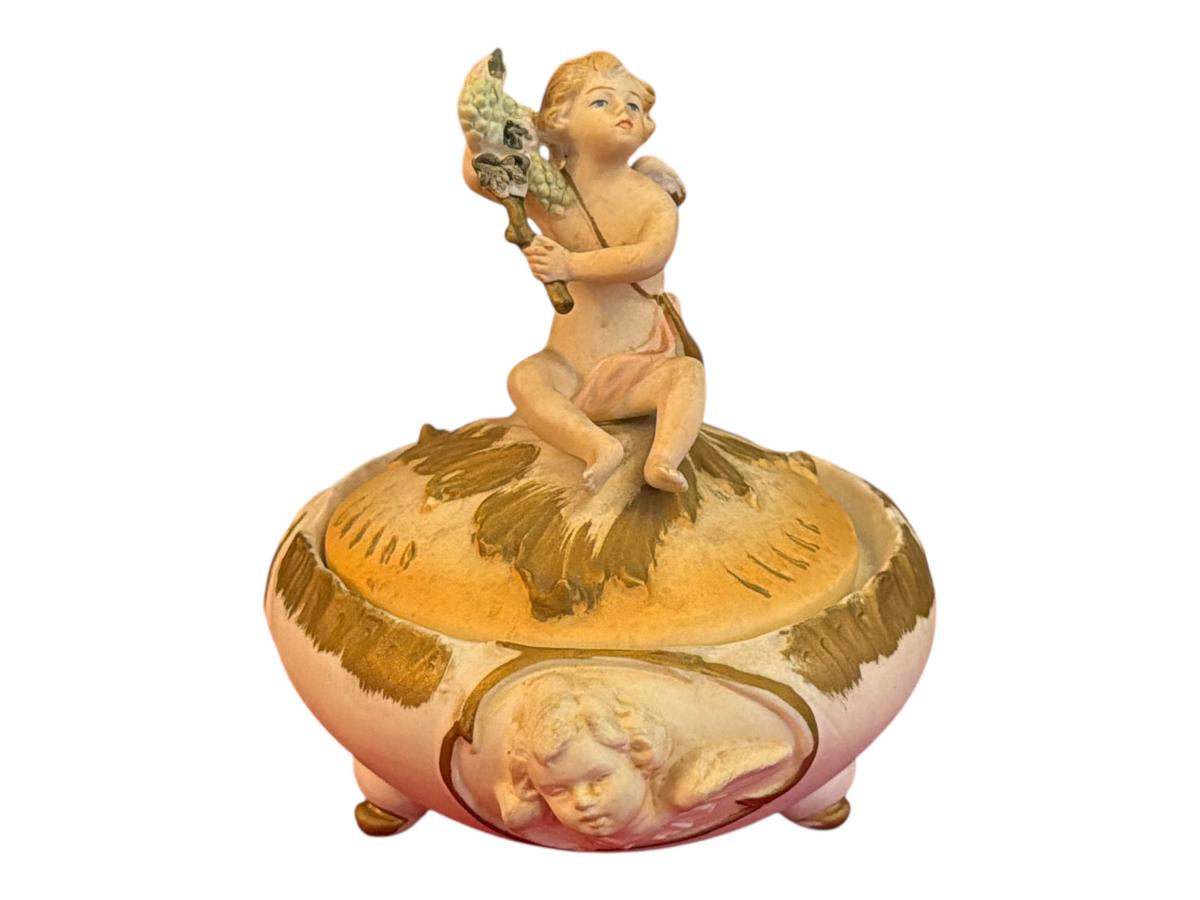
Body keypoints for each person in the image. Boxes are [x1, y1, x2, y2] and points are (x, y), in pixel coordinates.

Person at [464, 52, 706, 495]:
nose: (623, 112)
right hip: (569, 364)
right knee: (525, 379)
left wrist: (569, 265)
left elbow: (650, 256)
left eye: (633, 105)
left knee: (687, 376)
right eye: (601, 102)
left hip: (642, 363)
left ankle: (663, 459)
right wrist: (486, 134)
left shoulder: (651, 199)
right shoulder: (555, 193)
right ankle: (596, 446)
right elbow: (485, 178)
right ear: (559, 120)